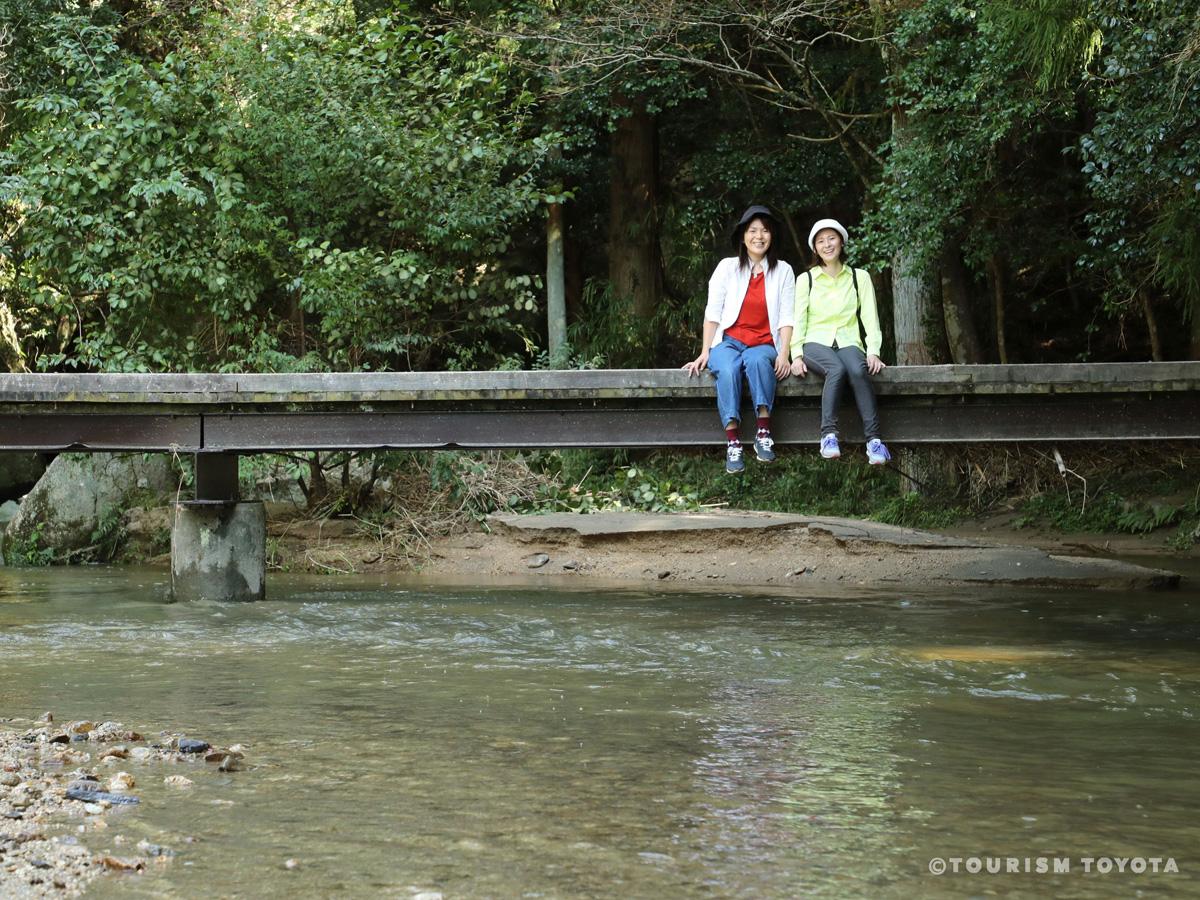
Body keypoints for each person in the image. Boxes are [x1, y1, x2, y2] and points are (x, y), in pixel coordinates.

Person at [683, 205, 795, 473]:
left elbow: (787, 318)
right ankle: (733, 443)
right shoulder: (727, 268)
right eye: (753, 230)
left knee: (758, 363)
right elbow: (713, 312)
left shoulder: (783, 271)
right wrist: (705, 351)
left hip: (764, 343)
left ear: (772, 236)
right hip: (729, 341)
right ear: (743, 236)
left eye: (765, 231)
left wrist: (783, 354)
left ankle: (763, 434)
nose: (759, 236)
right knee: (729, 367)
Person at [789, 218, 892, 465]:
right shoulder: (807, 279)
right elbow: (798, 318)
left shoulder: (860, 277)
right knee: (836, 369)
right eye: (821, 241)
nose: (827, 244)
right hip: (815, 341)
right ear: (814, 248)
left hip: (848, 341)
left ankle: (874, 442)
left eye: (832, 238)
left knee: (858, 369)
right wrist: (796, 355)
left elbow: (870, 317)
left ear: (842, 242)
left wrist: (873, 351)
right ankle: (828, 435)